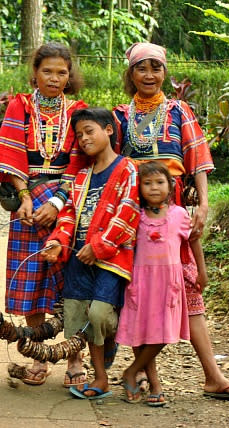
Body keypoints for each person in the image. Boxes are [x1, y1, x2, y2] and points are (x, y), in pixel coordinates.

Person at [113, 42, 229, 400]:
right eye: (141, 68)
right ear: (130, 74)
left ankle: (213, 376)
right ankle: (146, 377)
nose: (149, 75)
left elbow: (199, 160)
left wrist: (202, 206)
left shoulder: (179, 111)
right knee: (138, 292)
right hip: (133, 214)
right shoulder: (119, 117)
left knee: (188, 292)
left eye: (155, 68)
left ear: (164, 73)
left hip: (175, 213)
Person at [0, 43, 87, 386]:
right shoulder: (21, 106)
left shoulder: (77, 110)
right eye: (47, 71)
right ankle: (37, 358)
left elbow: (79, 161)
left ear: (69, 75)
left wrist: (57, 203)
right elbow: (12, 152)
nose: (54, 78)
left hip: (66, 202)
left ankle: (74, 358)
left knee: (68, 282)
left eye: (61, 72)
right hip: (27, 204)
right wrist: (25, 196)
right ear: (35, 73)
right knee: (31, 281)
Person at [41, 107, 140, 399]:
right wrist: (58, 241)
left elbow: (128, 212)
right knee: (77, 314)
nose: (83, 139)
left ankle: (111, 345)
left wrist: (99, 247)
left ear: (109, 130)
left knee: (99, 314)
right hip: (78, 259)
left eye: (89, 131)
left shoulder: (127, 169)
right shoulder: (81, 176)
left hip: (110, 259)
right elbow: (69, 213)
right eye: (79, 135)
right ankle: (100, 377)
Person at [116, 162, 207, 406]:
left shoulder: (179, 215)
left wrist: (201, 272)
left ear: (170, 185)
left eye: (159, 182)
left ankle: (131, 370)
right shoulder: (135, 215)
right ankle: (155, 384)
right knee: (142, 333)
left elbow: (193, 242)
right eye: (147, 183)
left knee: (164, 332)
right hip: (140, 282)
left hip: (169, 283)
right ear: (139, 188)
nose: (154, 188)